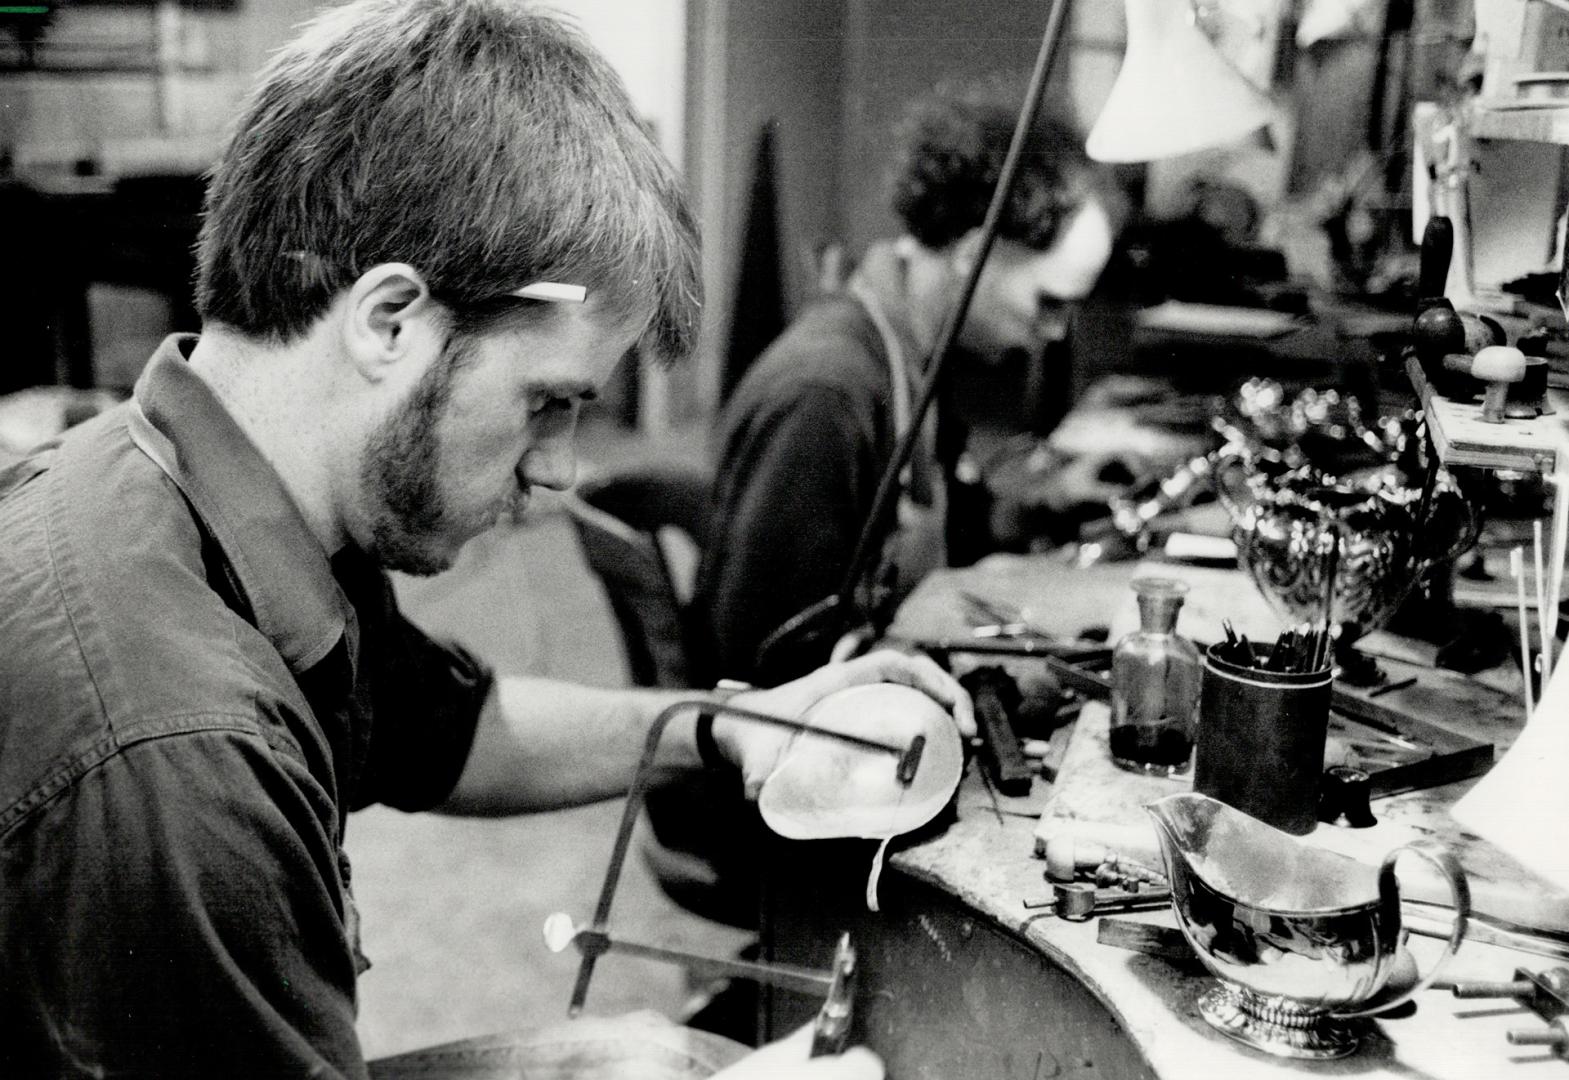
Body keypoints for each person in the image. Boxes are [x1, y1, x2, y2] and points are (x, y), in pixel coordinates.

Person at [0, 3, 973, 1078]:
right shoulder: (182, 764)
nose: (559, 469)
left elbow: (449, 728)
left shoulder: (201, 487)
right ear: (389, 323)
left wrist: (729, 724)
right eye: (546, 402)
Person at [691, 85, 1125, 688]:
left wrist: (1036, 502)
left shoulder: (915, 352)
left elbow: (936, 517)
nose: (1054, 333)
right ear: (972, 257)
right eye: (1048, 302)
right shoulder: (827, 398)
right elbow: (762, 658)